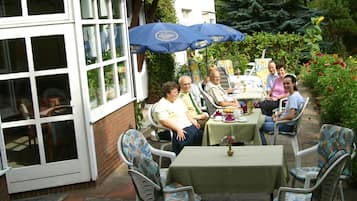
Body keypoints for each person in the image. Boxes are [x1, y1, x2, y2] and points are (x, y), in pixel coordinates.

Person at [155, 81, 203, 155]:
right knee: (188, 135)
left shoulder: (178, 100)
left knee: (199, 132)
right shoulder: (161, 105)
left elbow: (186, 112)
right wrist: (178, 129)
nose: (177, 94)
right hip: (169, 130)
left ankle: (196, 154)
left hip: (185, 125)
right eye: (174, 92)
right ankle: (184, 157)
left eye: (177, 92)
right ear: (167, 94)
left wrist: (193, 121)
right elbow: (164, 121)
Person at [260, 74, 305, 145]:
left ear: (293, 83)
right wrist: (278, 114)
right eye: (284, 84)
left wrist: (278, 120)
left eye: (288, 83)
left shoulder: (293, 97)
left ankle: (265, 148)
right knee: (262, 118)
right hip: (284, 121)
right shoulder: (293, 94)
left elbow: (291, 116)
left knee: (259, 126)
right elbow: (288, 109)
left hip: (285, 125)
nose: (285, 85)